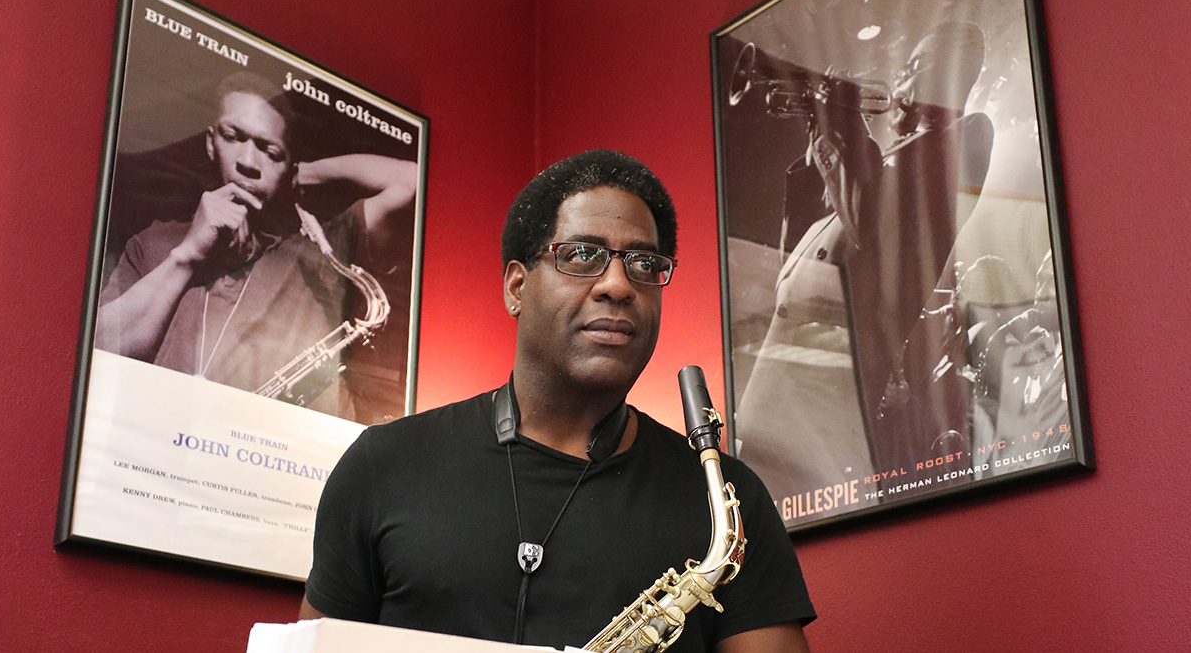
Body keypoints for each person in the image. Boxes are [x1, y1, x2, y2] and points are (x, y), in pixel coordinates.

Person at [300, 150, 815, 652]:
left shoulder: (729, 499)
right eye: (581, 254)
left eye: (643, 263)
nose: (617, 285)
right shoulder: (380, 465)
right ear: (516, 287)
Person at [734, 22, 994, 514]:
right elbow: (812, 247)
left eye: (915, 67)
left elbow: (871, 227)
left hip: (833, 387)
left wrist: (842, 120)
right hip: (792, 376)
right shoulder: (895, 154)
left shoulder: (967, 135)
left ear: (951, 76)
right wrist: (821, 137)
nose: (900, 79)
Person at [95, 72, 418, 420]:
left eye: (269, 150)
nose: (248, 163)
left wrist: (308, 172)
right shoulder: (156, 242)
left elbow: (412, 180)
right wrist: (186, 256)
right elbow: (98, 351)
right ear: (210, 143)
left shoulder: (324, 249)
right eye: (233, 137)